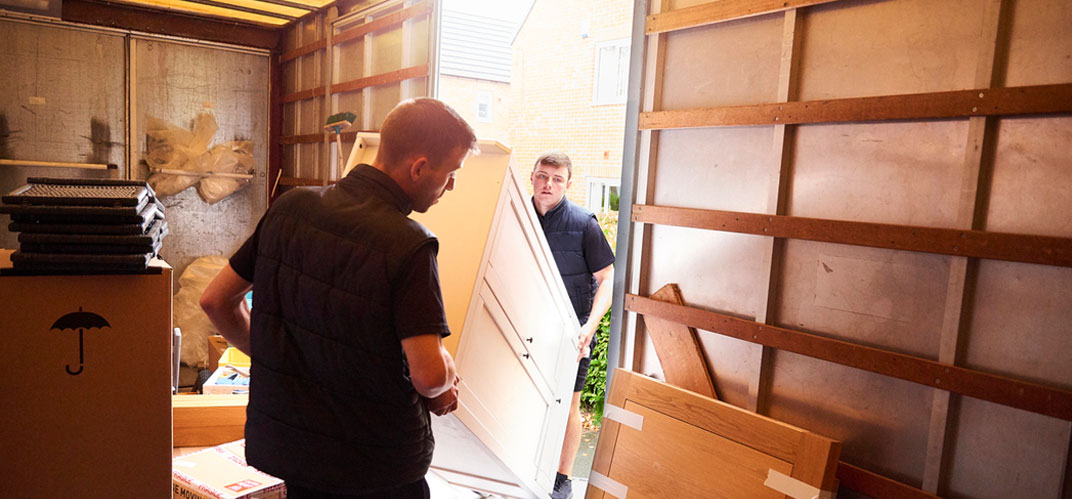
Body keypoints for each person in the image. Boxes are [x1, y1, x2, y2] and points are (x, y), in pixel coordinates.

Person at [199, 98, 478, 499]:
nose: (450, 186)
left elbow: (216, 300)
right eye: (451, 174)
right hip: (377, 467)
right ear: (418, 168)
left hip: (294, 455)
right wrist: (447, 377)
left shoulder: (289, 209)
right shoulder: (409, 244)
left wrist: (270, 354)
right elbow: (430, 376)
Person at [530, 151, 615, 499]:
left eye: (557, 178)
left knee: (569, 405)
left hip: (573, 334)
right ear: (532, 176)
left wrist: (590, 326)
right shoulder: (517, 216)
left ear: (568, 183)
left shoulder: (584, 223)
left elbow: (607, 278)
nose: (548, 184)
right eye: (542, 176)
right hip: (528, 327)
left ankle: (561, 481)